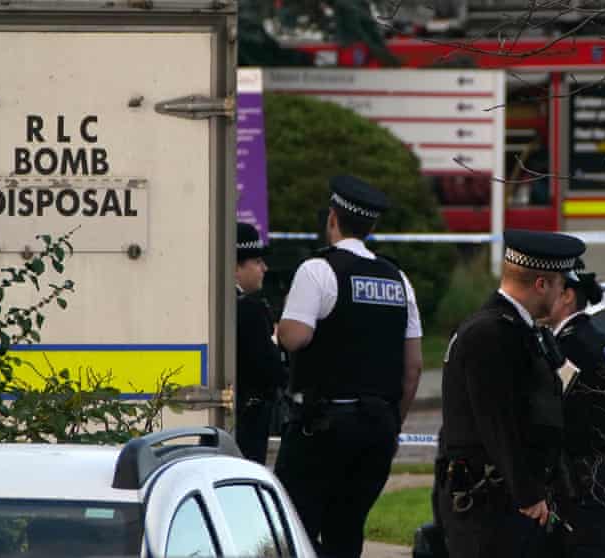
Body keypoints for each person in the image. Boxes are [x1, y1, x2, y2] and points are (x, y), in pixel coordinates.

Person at [275, 175, 423, 558]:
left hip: (321, 429)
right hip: (377, 430)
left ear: (332, 219)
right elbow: (413, 369)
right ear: (372, 227)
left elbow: (296, 338)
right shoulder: (399, 279)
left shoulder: (318, 271)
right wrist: (393, 426)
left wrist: (278, 323)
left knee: (295, 528)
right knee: (346, 530)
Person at [435, 229, 585, 558]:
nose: (563, 293)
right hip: (492, 507)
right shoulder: (490, 333)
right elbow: (497, 422)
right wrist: (527, 493)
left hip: (509, 502)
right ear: (541, 284)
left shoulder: (519, 330)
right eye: (561, 284)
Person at [546, 264, 605, 558]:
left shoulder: (571, 344)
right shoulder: (591, 336)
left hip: (579, 478)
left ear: (567, 296)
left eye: (549, 288)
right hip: (598, 472)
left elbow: (558, 409)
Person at [234, 222, 285, 465]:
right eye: (256, 262)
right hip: (250, 418)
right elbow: (271, 369)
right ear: (236, 267)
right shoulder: (250, 309)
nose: (264, 268)